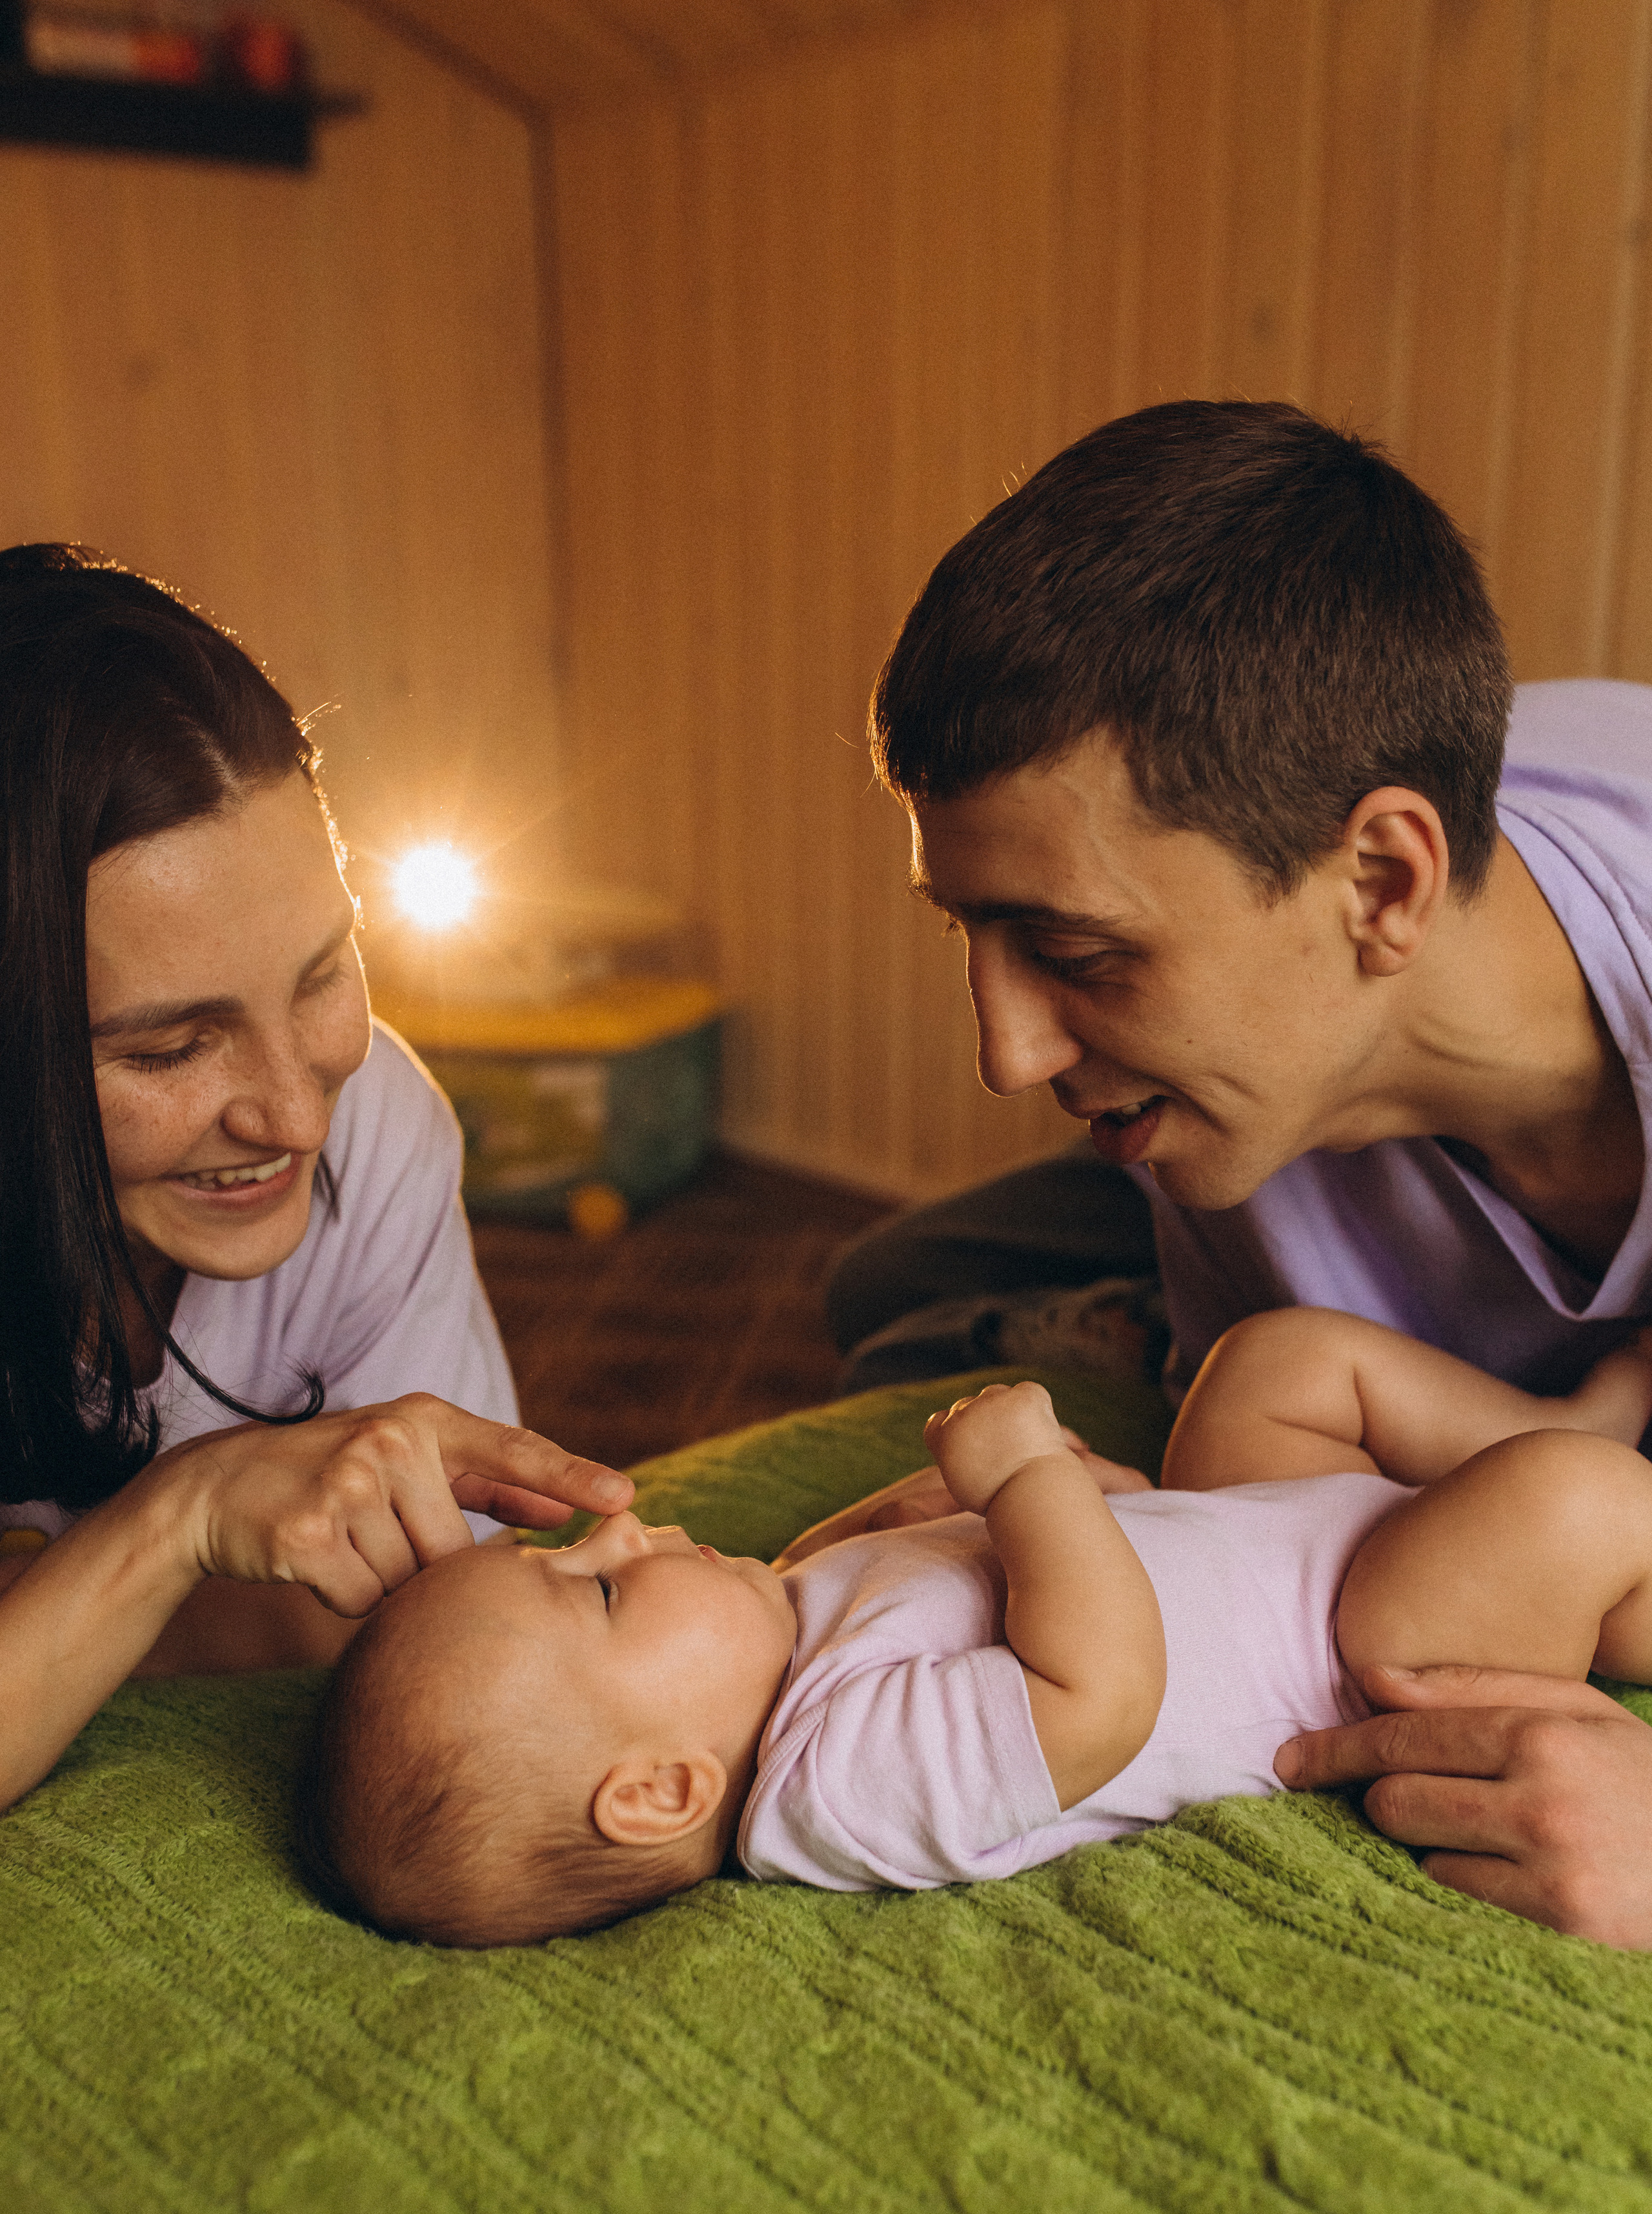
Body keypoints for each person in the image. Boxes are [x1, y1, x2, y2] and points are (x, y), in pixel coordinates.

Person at [823, 399, 1652, 1946]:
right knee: (879, 1284)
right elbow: (1262, 1513)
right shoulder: (1227, 1127)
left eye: (1072, 955)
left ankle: (1104, 1320)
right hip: (1330, 1111)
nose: (1001, 1056)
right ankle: (1121, 1312)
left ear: (1383, 883)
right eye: (972, 936)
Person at [303, 1308, 1652, 1945]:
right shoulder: (832, 1784)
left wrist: (1044, 1507)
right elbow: (1097, 1691)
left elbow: (922, 1562)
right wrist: (1027, 1488)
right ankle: (1596, 1518)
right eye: (593, 1588)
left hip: (1239, 1533)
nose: (616, 1529)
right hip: (1354, 1649)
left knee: (1275, 1361)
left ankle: (1559, 1421)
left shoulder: (778, 1621)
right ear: (660, 1791)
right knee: (1562, 1508)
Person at [0, 544, 631, 1815]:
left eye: (323, 976)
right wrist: (184, 1521)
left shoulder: (378, 1114)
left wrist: (45, 1604)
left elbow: (427, 1625)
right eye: (170, 1047)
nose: (295, 1111)